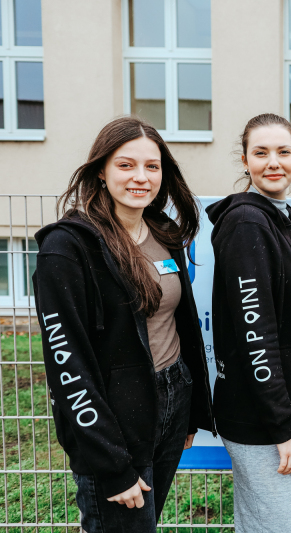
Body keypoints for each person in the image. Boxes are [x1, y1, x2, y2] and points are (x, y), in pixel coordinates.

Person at [32, 116, 215, 532]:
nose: (141, 177)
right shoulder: (68, 247)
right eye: (126, 165)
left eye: (152, 166)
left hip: (172, 400)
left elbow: (180, 324)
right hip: (113, 420)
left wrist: (188, 413)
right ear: (101, 170)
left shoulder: (163, 232)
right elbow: (67, 365)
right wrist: (112, 464)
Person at [206, 113, 291, 533]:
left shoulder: (283, 216)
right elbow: (255, 333)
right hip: (263, 422)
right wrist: (280, 426)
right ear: (245, 161)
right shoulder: (247, 222)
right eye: (261, 153)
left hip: (284, 412)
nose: (273, 162)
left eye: (283, 152)